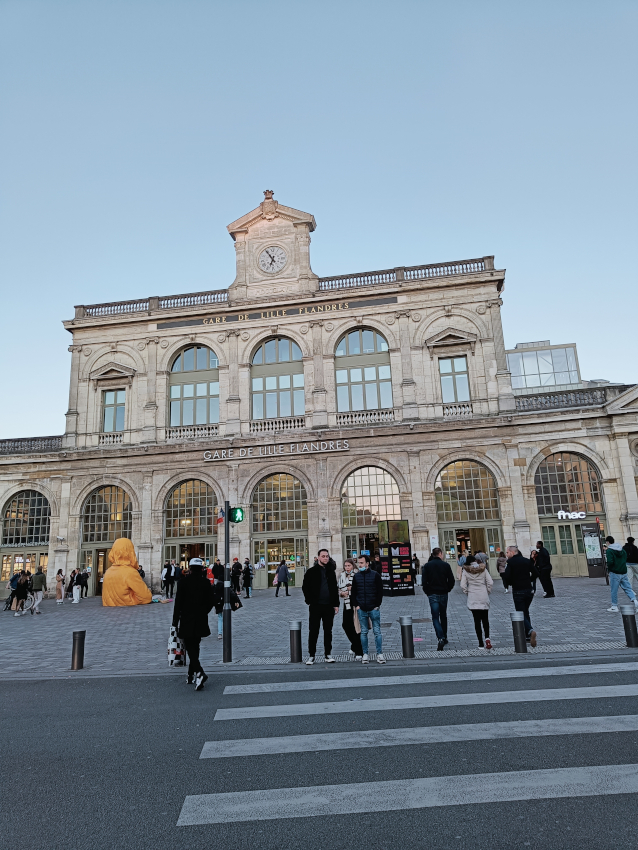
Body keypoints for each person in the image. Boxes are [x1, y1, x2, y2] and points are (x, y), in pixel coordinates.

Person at [172, 557, 215, 689]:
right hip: (201, 619)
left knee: (190, 647)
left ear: (189, 568)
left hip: (186, 619)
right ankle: (190, 676)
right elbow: (211, 602)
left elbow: (177, 604)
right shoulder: (206, 582)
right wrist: (203, 612)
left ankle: (199, 672)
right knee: (195, 646)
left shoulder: (183, 583)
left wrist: (175, 622)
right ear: (202, 569)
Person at [302, 549, 339, 665]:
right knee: (313, 631)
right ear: (318, 557)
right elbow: (305, 587)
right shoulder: (311, 572)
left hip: (328, 606)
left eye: (327, 556)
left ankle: (328, 654)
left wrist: (336, 604)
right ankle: (311, 655)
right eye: (323, 556)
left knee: (328, 631)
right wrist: (309, 600)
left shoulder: (331, 572)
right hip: (315, 606)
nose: (325, 558)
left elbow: (334, 589)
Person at [351, 554, 385, 663]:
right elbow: (354, 593)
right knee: (364, 632)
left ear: (367, 563)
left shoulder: (375, 575)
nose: (359, 565)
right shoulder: (356, 576)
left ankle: (379, 654)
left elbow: (380, 591)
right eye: (358, 563)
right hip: (361, 608)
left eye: (361, 563)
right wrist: (357, 606)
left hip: (373, 608)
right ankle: (365, 654)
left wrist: (377, 605)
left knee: (377, 631)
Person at [503, 545, 538, 646]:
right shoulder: (527, 561)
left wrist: (510, 583)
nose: (506, 555)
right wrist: (529, 580)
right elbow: (536, 573)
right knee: (525, 611)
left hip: (518, 590)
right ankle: (527, 635)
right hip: (528, 590)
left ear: (513, 553)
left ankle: (530, 631)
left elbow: (507, 576)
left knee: (521, 613)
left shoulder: (510, 562)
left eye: (507, 553)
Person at [102, 539, 153, 607]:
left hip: (108, 613)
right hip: (127, 611)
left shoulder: (108, 572)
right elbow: (146, 598)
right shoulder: (130, 572)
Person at [422, 548, 455, 650]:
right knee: (443, 615)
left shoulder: (427, 566)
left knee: (435, 617)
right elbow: (452, 580)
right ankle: (444, 637)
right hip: (443, 593)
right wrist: (447, 589)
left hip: (432, 593)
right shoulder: (445, 565)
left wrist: (428, 592)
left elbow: (424, 582)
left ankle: (440, 637)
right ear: (440, 554)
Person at [460, 554, 493, 648]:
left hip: (473, 595)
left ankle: (480, 643)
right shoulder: (483, 569)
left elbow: (462, 585)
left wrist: (467, 592)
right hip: (483, 594)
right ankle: (487, 638)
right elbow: (490, 582)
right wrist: (487, 591)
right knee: (485, 619)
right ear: (475, 560)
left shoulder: (466, 571)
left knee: (476, 620)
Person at [338, 557, 363, 659]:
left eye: (349, 565)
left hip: (355, 603)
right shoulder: (342, 576)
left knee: (356, 627)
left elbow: (360, 588)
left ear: (353, 566)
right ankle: (354, 644)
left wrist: (351, 589)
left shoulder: (357, 575)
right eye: (345, 566)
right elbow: (339, 588)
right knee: (346, 625)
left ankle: (359, 650)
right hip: (346, 603)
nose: (347, 568)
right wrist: (342, 593)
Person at [605, 536, 638, 613]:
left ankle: (614, 606)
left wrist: (609, 569)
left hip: (614, 572)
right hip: (623, 571)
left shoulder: (610, 551)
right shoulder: (622, 550)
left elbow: (610, 562)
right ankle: (635, 600)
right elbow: (624, 558)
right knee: (627, 588)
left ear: (608, 542)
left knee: (614, 590)